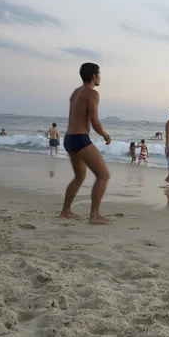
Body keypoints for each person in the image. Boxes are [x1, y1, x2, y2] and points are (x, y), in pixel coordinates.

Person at [60, 63, 112, 224]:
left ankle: (65, 211)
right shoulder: (92, 93)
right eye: (99, 74)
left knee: (79, 176)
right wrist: (105, 135)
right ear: (93, 76)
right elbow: (94, 121)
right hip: (80, 139)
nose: (100, 77)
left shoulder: (76, 92)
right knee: (103, 175)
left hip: (69, 139)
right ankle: (94, 216)